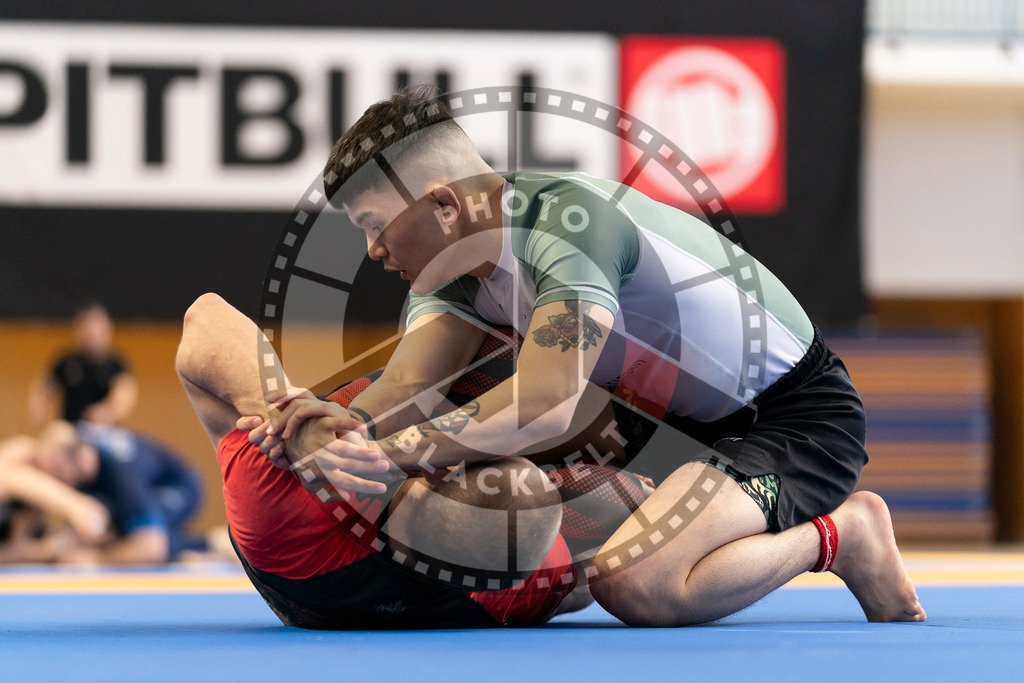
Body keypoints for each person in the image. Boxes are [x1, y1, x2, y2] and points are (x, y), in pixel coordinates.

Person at [242, 85, 925, 627]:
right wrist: (328, 429)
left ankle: (843, 533)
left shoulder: (570, 225)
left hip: (787, 421)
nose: (372, 252)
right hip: (649, 422)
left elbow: (546, 402)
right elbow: (402, 388)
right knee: (514, 488)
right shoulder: (453, 267)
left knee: (639, 583)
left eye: (372, 226)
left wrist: (395, 452)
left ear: (445, 205)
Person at [176, 297, 648, 628]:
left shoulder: (287, 489)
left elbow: (205, 317)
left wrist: (286, 419)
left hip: (305, 567)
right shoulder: (525, 579)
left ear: (437, 475)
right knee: (630, 509)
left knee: (493, 354)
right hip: (476, 575)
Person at [0, 422, 110, 564]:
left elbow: (11, 553)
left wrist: (53, 547)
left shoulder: (34, 508)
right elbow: (12, 477)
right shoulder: (23, 453)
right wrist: (74, 504)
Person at [29, 301, 137, 426]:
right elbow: (45, 386)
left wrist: (107, 412)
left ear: (106, 330)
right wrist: (40, 403)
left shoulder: (115, 364)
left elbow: (124, 394)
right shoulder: (67, 362)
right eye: (86, 327)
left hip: (104, 430)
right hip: (70, 428)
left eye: (95, 328)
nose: (90, 334)